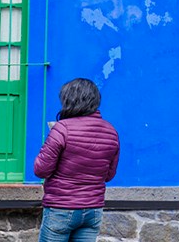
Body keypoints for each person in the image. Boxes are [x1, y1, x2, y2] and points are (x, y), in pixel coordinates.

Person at [32, 78, 120, 242]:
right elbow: (108, 175)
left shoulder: (62, 128)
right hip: (93, 208)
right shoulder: (111, 131)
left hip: (61, 207)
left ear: (69, 101)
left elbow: (41, 170)